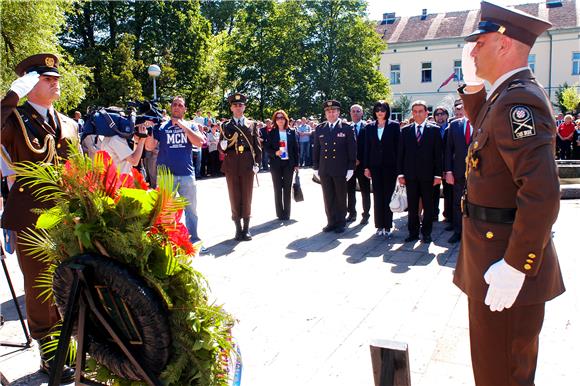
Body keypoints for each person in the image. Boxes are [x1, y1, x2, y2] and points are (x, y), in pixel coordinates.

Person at [455, 2, 565, 385]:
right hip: (490, 253)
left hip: (503, 262)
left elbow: (542, 194)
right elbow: (490, 130)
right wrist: (471, 88)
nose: (471, 51)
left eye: (479, 43)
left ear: (503, 45)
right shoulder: (505, 97)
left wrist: (518, 265)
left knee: (501, 374)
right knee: (493, 367)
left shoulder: (519, 101)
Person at [0, 53, 78, 382]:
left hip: (65, 216)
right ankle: (48, 348)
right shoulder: (14, 119)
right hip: (30, 215)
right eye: (47, 79)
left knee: (67, 277)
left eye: (55, 77)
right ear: (31, 84)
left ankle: (68, 338)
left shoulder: (68, 124)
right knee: (39, 283)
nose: (55, 82)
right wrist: (11, 96)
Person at [145, 96, 208, 253]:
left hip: (186, 174)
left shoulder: (191, 126)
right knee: (166, 210)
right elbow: (149, 147)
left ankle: (194, 239)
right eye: (174, 105)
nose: (177, 107)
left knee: (191, 210)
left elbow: (199, 143)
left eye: (180, 105)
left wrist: (182, 126)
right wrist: (150, 131)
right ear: (171, 107)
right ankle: (170, 241)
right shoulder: (161, 126)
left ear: (185, 109)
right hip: (166, 175)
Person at [397, 100, 442, 243]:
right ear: (412, 113)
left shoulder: (434, 130)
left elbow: (438, 155)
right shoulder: (405, 131)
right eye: (415, 111)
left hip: (428, 176)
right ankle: (413, 232)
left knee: (428, 206)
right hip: (410, 176)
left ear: (426, 113)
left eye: (420, 111)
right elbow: (401, 155)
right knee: (412, 206)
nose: (417, 114)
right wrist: (401, 174)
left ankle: (426, 233)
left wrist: (438, 175)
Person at [219, 93, 262, 241]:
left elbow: (257, 146)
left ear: (244, 107)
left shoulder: (252, 124)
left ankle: (246, 228)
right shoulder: (225, 125)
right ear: (231, 107)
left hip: (247, 163)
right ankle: (237, 229)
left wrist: (257, 163)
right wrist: (222, 146)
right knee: (234, 195)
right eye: (235, 105)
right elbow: (221, 146)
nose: (238, 107)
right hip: (231, 163)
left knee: (247, 195)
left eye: (240, 105)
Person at [312, 100, 356, 233]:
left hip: (340, 168)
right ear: (325, 113)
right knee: (328, 196)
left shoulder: (347, 128)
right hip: (325, 168)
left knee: (341, 196)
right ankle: (331, 221)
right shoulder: (320, 128)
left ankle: (340, 222)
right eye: (328, 111)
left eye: (333, 111)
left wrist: (351, 168)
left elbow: (352, 149)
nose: (331, 113)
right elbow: (316, 149)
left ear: (338, 112)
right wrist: (315, 167)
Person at [363, 101, 400, 236]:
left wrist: (399, 169)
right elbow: (367, 148)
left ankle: (388, 225)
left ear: (387, 111)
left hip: (390, 166)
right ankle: (379, 225)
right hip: (375, 166)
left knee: (388, 196)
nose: (380, 112)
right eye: (378, 109)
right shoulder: (369, 127)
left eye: (383, 109)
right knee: (378, 196)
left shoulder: (394, 126)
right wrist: (366, 167)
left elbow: (398, 148)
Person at [444, 104, 472, 244]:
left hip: (479, 173)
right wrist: (448, 171)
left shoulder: (484, 122)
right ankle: (458, 231)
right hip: (458, 171)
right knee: (457, 203)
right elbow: (449, 150)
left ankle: (473, 233)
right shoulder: (454, 125)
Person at [265, 110, 299, 220]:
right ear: (275, 120)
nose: (280, 119)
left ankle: (287, 213)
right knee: (278, 188)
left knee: (287, 188)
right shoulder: (272, 133)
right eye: (278, 118)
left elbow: (295, 149)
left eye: (282, 117)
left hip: (289, 163)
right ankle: (280, 213)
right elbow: (267, 148)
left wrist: (296, 164)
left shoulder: (292, 132)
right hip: (276, 164)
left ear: (285, 119)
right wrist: (275, 153)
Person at [346, 104, 371, 225]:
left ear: (362, 113)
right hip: (350, 165)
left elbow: (370, 147)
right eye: (353, 111)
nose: (355, 113)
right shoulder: (346, 127)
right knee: (349, 191)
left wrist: (361, 160)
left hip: (363, 165)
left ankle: (366, 214)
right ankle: (351, 213)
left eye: (358, 111)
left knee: (365, 191)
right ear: (350, 113)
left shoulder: (368, 127)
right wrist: (351, 160)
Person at [433, 106, 451, 225]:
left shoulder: (451, 128)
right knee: (433, 192)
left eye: (442, 114)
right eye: (437, 114)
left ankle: (448, 215)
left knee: (448, 192)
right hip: (434, 167)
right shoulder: (431, 129)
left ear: (447, 115)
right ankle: (434, 214)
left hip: (448, 166)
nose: (440, 116)